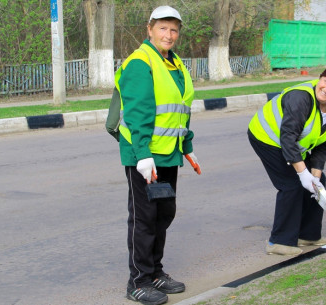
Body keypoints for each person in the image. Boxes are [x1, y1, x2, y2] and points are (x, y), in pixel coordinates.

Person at [114, 6, 200, 305]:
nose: (169, 35)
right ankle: (138, 280)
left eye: (174, 29)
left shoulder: (175, 64)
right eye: (163, 28)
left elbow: (179, 113)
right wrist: (142, 155)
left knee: (164, 213)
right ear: (149, 29)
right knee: (144, 217)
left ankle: (155, 272)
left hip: (168, 153)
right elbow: (137, 114)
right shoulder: (141, 62)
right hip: (144, 155)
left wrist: (187, 147)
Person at [248, 65, 326, 256]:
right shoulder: (300, 98)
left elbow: (322, 145)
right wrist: (302, 173)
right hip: (267, 137)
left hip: (290, 143)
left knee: (319, 182)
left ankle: (308, 235)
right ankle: (278, 242)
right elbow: (287, 138)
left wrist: (315, 175)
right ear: (320, 79)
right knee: (291, 184)